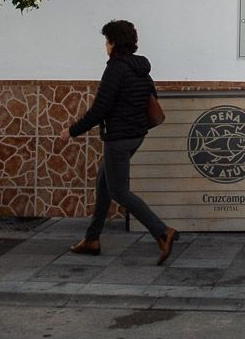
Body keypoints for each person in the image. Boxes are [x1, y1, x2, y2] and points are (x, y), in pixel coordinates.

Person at [62, 20, 178, 265]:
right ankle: (91, 239)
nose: (105, 45)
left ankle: (162, 231)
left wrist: (72, 131)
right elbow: (151, 99)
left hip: (119, 138)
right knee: (104, 184)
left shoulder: (115, 68)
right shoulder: (141, 67)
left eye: (107, 41)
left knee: (119, 191)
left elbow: (100, 109)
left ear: (113, 43)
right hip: (136, 135)